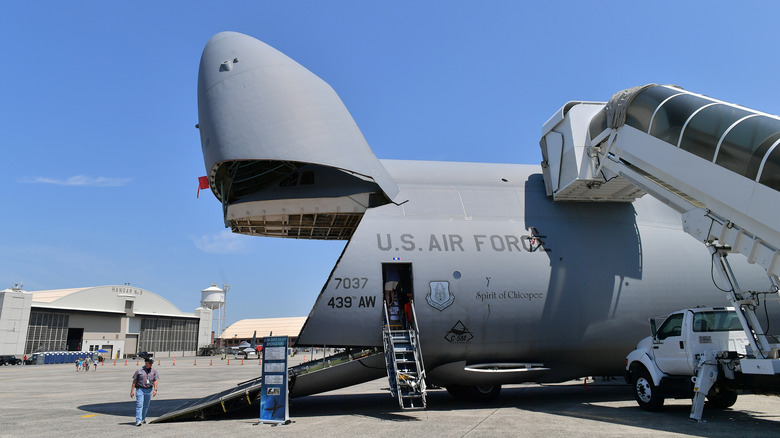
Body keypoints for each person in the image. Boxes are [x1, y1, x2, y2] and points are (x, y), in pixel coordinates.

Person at [130, 357, 159, 426]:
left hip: (149, 389)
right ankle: (138, 420)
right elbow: (134, 381)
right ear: (146, 363)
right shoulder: (139, 371)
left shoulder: (154, 371)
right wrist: (132, 391)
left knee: (146, 405)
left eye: (152, 363)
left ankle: (143, 418)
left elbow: (155, 380)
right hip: (140, 389)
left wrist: (155, 390)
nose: (151, 364)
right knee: (139, 405)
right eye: (150, 363)